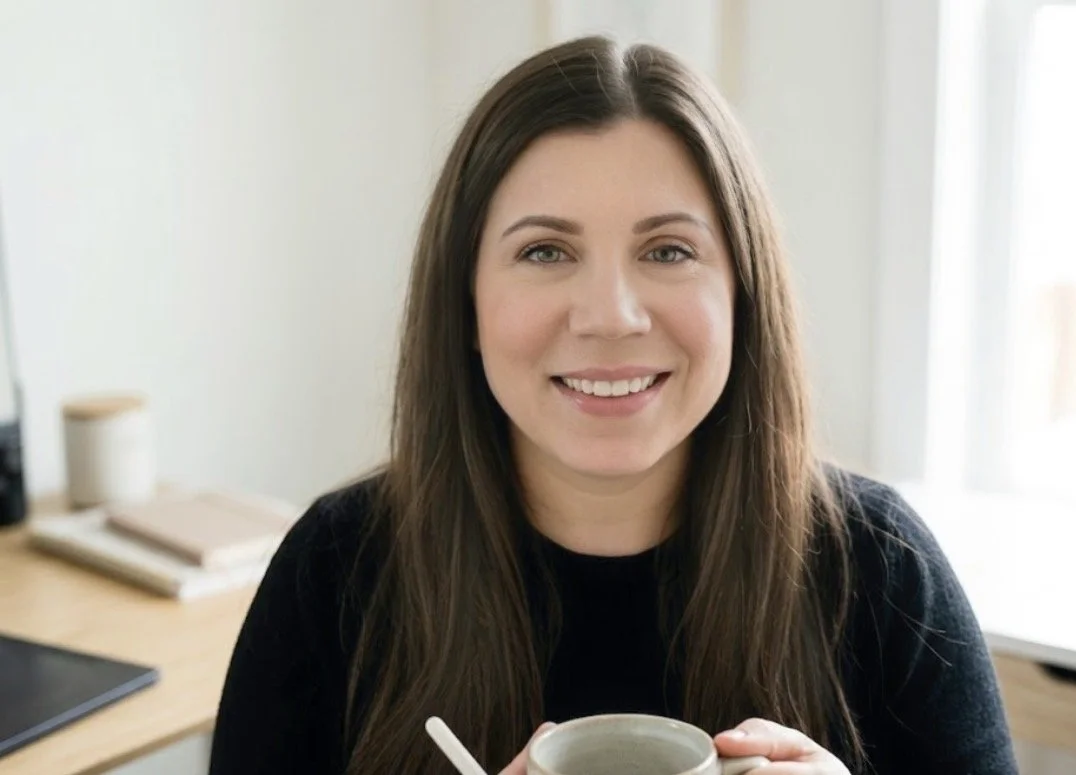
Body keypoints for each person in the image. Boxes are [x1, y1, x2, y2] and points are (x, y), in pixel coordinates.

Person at [208, 36, 1018, 775]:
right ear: (466, 304)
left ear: (742, 290)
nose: (610, 314)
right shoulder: (336, 569)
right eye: (545, 251)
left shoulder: (881, 569)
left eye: (668, 250)